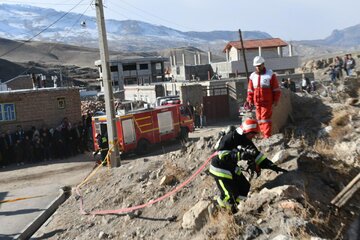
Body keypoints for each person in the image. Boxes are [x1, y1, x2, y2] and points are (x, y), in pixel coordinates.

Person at [210, 119, 287, 213]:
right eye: (253, 134)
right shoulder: (229, 139)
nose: (254, 136)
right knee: (230, 194)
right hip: (220, 168)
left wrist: (272, 166)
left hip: (231, 167)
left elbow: (257, 156)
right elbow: (222, 156)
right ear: (247, 132)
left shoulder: (246, 140)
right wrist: (240, 155)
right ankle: (218, 209)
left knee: (244, 187)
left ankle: (236, 208)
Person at [246, 56, 281, 138]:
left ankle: (267, 136)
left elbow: (276, 89)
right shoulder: (252, 76)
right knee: (259, 119)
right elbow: (250, 90)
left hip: (267, 102)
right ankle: (262, 134)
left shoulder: (270, 74)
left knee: (265, 119)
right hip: (257, 102)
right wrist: (249, 100)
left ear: (263, 64)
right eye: (256, 66)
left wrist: (276, 100)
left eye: (259, 65)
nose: (258, 67)